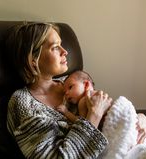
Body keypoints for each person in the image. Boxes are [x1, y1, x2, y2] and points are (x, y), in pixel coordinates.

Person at [6, 22, 112, 159]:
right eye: (55, 47)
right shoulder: (22, 103)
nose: (65, 51)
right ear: (33, 59)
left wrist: (140, 120)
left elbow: (111, 114)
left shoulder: (71, 84)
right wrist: (94, 115)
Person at [57, 70, 146, 145]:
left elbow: (83, 124)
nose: (67, 94)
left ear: (86, 85)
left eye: (70, 87)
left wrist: (66, 112)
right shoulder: (99, 95)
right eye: (64, 92)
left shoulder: (84, 101)